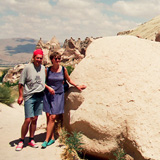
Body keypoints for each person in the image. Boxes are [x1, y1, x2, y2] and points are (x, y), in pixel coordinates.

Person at [41, 51, 86, 148]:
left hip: (59, 95)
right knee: (48, 117)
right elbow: (42, 83)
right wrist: (49, 88)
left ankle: (45, 140)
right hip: (48, 94)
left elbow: (69, 80)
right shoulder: (47, 70)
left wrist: (77, 86)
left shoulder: (63, 69)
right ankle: (52, 137)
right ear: (52, 60)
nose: (58, 60)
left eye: (59, 58)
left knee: (53, 117)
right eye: (56, 59)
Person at [16, 49, 46, 151]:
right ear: (33, 58)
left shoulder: (43, 68)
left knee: (35, 119)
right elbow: (21, 84)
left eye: (40, 58)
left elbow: (43, 82)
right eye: (37, 58)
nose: (39, 60)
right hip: (29, 96)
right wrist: (21, 96)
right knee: (28, 119)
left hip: (39, 96)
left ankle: (31, 139)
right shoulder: (27, 68)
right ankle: (21, 140)